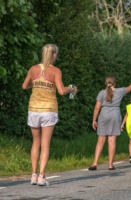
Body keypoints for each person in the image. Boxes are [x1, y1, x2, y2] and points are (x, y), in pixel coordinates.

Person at [22, 44, 77, 186]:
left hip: (33, 109)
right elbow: (60, 91)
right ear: (54, 55)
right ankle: (41, 176)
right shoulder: (55, 71)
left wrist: (35, 85)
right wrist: (71, 88)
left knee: (35, 142)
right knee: (45, 145)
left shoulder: (33, 69)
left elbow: (24, 86)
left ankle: (33, 175)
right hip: (48, 110)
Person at [89, 76, 131, 170]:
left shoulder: (101, 93)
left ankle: (95, 163)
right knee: (112, 141)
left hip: (104, 115)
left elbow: (97, 107)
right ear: (114, 83)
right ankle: (110, 165)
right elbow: (130, 87)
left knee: (100, 141)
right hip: (115, 116)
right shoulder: (120, 91)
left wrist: (94, 120)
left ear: (105, 83)